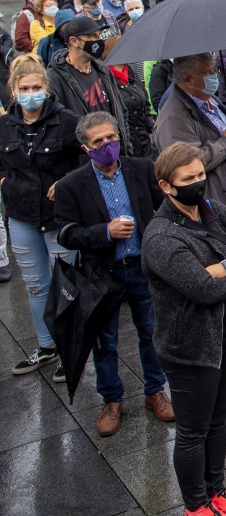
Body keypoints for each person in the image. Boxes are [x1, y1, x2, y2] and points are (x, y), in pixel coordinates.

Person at [141, 142, 226, 516]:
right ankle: (195, 508)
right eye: (188, 179)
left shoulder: (212, 210)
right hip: (190, 346)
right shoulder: (160, 238)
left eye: (201, 175)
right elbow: (201, 290)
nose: (199, 183)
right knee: (193, 431)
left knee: (217, 421)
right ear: (166, 186)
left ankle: (216, 492)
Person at [54, 112, 171, 435]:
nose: (108, 145)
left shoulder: (142, 168)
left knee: (151, 331)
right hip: (101, 273)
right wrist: (104, 232)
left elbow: (164, 206)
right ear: (85, 148)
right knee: (105, 341)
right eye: (99, 142)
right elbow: (65, 233)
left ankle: (155, 390)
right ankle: (112, 399)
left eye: (111, 138)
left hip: (141, 267)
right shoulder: (71, 185)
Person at [2, 60, 84, 376]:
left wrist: (66, 183)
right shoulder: (4, 127)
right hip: (21, 217)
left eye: (36, 88)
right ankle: (47, 346)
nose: (31, 94)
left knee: (65, 282)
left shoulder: (66, 121)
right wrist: (6, 184)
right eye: (24, 89)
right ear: (13, 91)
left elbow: (88, 159)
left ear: (46, 89)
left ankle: (71, 348)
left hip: (59, 217)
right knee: (36, 286)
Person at [152, 54, 226, 221]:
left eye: (214, 69)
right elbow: (184, 163)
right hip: (214, 206)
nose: (215, 75)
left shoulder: (206, 98)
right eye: (208, 72)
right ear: (189, 80)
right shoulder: (173, 117)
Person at [46, 15, 132, 138]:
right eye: (92, 36)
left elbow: (121, 112)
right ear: (74, 41)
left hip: (112, 147)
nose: (98, 40)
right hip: (82, 152)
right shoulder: (54, 78)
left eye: (99, 35)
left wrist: (125, 146)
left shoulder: (103, 70)